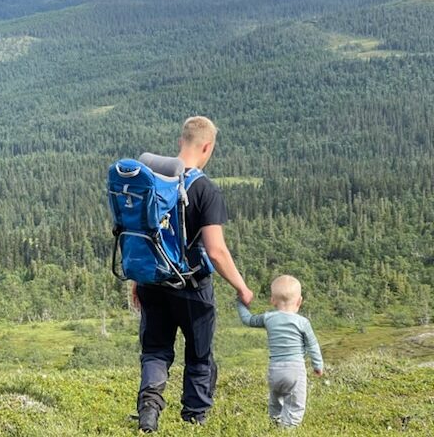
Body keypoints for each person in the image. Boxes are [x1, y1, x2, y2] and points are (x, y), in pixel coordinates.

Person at [134, 116, 254, 432]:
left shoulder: (152, 180)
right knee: (199, 354)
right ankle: (194, 419)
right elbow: (216, 251)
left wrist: (137, 279)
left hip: (152, 280)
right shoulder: (204, 189)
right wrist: (241, 287)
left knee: (155, 350)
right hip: (192, 286)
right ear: (207, 147)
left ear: (180, 141)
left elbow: (144, 234)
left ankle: (149, 411)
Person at [236, 274, 324, 428]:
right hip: (295, 370)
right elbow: (313, 345)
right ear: (299, 301)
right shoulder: (303, 322)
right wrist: (318, 365)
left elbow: (247, 319)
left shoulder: (268, 318)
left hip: (275, 370)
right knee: (295, 403)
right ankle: (288, 429)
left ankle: (275, 422)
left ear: (272, 300)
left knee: (276, 399)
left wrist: (240, 302)